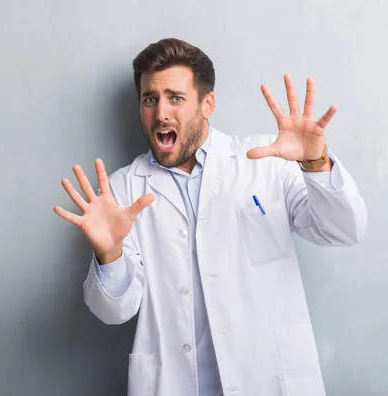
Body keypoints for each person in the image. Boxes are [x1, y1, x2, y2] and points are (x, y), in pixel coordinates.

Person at [53, 38, 367, 396]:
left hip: (269, 379)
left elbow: (345, 230)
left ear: (207, 104)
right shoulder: (121, 192)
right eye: (150, 99)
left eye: (176, 97)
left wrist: (315, 163)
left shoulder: (266, 161)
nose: (161, 113)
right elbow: (114, 312)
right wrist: (108, 255)